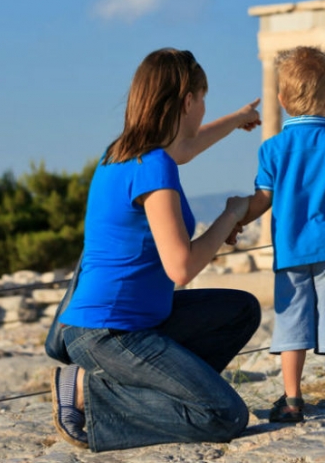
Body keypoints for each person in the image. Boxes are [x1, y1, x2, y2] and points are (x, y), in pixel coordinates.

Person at [48, 48, 263, 452]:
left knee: (241, 311)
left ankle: (166, 393)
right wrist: (230, 216)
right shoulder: (154, 167)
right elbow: (182, 268)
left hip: (136, 322)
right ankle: (88, 396)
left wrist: (237, 120)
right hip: (108, 332)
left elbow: (188, 146)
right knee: (225, 415)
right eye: (203, 98)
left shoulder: (124, 153)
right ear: (187, 101)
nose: (203, 108)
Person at [229, 46, 325, 423]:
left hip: (290, 252)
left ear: (281, 99)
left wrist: (237, 220)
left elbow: (263, 200)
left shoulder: (272, 149)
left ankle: (292, 400)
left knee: (291, 322)